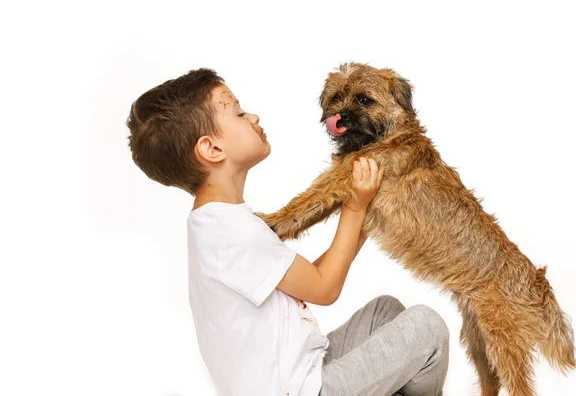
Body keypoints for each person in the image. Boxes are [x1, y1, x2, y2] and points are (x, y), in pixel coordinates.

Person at [126, 68, 449, 396]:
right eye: (238, 113)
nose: (253, 116)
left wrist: (365, 213)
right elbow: (325, 289)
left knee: (385, 311)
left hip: (304, 370)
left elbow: (313, 277)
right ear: (211, 149)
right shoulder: (234, 233)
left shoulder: (219, 223)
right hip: (300, 390)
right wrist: (354, 206)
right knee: (427, 327)